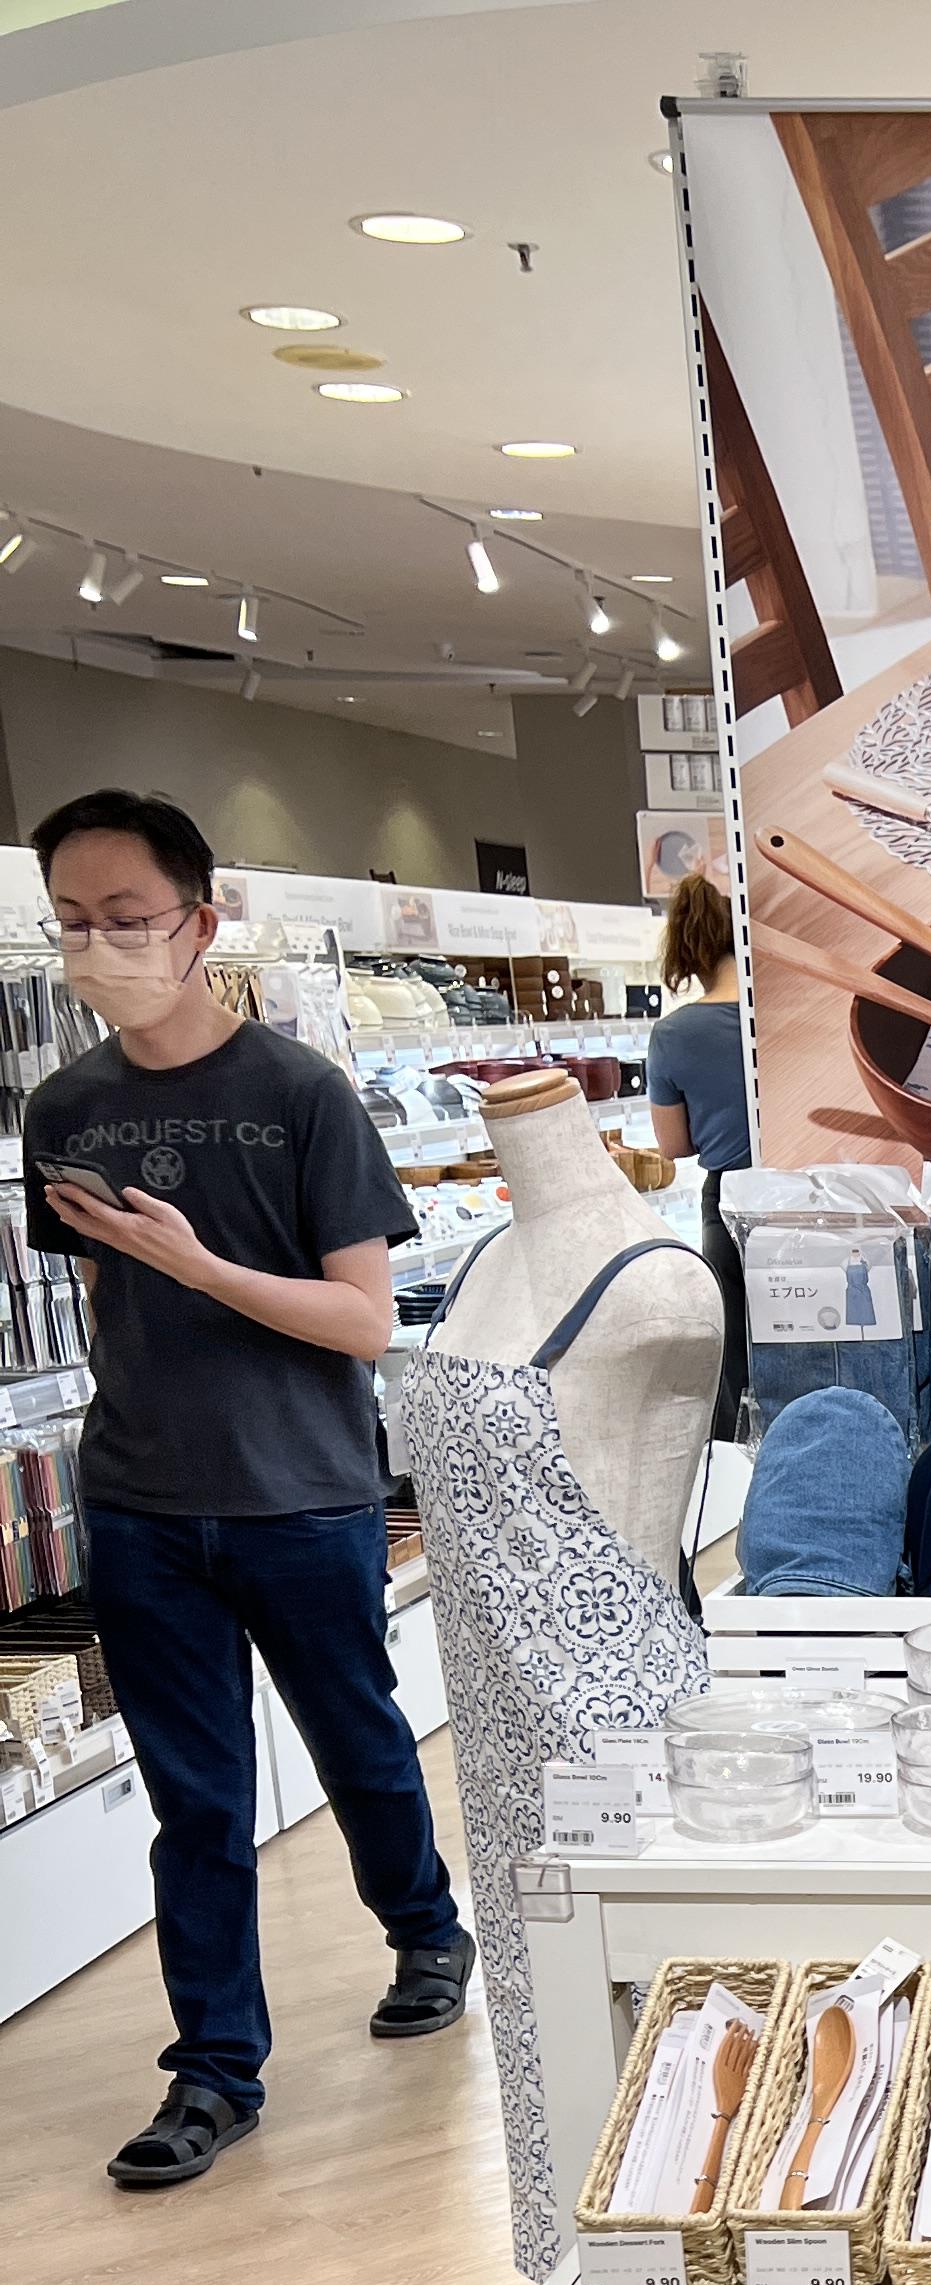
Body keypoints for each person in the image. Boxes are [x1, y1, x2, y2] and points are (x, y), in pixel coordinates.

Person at [24, 788, 475, 2191]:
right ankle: (215, 2071)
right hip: (142, 1501)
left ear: (200, 923)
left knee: (359, 1745)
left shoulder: (302, 1095)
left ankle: (427, 1932)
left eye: (127, 918)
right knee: (197, 1803)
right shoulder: (65, 1107)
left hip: (303, 1495)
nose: (99, 947)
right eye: (73, 923)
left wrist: (198, 1263)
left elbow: (366, 1321)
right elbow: (105, 1309)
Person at [644, 869, 751, 1436]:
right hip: (800, 1194)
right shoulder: (774, 1019)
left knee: (736, 1363)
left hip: (728, 1199)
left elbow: (673, 1145)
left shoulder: (674, 1034)